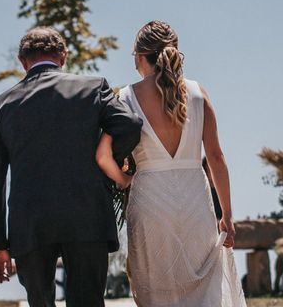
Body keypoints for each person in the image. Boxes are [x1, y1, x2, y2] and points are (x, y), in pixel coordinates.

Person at [0, 27, 142, 307]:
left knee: (40, 303)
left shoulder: (1, 106)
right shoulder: (93, 88)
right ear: (63, 56)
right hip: (86, 213)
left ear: (22, 60)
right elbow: (128, 124)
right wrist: (105, 155)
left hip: (30, 223)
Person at [97, 21, 246, 306]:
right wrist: (227, 214)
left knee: (156, 286)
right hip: (196, 203)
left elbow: (103, 156)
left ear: (140, 56)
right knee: (202, 287)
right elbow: (216, 158)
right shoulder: (198, 93)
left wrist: (124, 179)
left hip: (150, 202)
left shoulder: (126, 98)